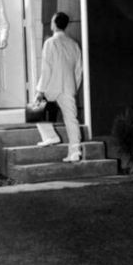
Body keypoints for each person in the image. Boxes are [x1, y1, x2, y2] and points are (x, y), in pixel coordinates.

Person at [37, 12, 84, 161]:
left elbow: (46, 69)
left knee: (36, 108)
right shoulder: (74, 44)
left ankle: (50, 136)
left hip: (52, 85)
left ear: (55, 24)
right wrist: (73, 87)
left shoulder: (50, 43)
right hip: (69, 86)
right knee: (71, 119)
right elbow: (78, 70)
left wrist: (40, 90)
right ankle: (75, 150)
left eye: (51, 21)